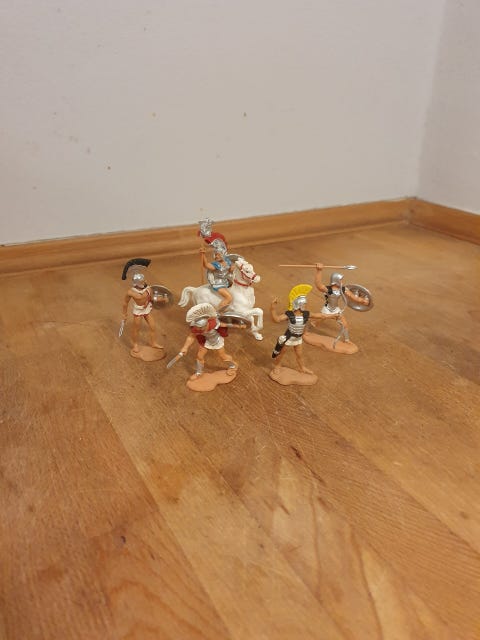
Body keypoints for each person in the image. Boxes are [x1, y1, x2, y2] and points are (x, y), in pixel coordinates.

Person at [271, 284, 335, 373]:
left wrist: (333, 316)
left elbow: (320, 315)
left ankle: (302, 367)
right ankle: (277, 366)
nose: (305, 305)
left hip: (298, 338)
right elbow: (277, 319)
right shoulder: (289, 314)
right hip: (289, 338)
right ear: (299, 304)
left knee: (299, 355)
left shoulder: (306, 314)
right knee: (281, 353)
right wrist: (272, 309)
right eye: (304, 304)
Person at [176, 303, 245, 379]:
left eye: (201, 328)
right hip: (206, 341)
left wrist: (238, 326)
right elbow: (191, 337)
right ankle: (199, 373)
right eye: (197, 327)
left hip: (217, 341)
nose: (199, 329)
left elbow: (225, 325)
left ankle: (233, 365)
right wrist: (185, 347)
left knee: (223, 356)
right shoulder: (196, 328)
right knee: (199, 356)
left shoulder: (213, 323)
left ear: (206, 324)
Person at [313, 264, 370, 345]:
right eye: (341, 280)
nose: (342, 282)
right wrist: (319, 271)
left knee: (344, 324)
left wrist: (363, 301)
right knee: (318, 321)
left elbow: (354, 297)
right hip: (327, 309)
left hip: (336, 310)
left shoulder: (343, 289)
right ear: (336, 281)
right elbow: (318, 285)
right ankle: (308, 328)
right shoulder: (328, 289)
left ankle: (347, 340)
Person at [122, 271, 164, 353]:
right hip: (138, 311)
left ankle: (153, 343)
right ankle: (135, 345)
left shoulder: (148, 289)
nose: (144, 282)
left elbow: (151, 298)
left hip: (146, 309)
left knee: (153, 326)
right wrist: (124, 314)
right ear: (136, 283)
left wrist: (161, 299)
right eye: (142, 281)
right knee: (136, 329)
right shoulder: (130, 292)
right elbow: (125, 303)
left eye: (143, 280)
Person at [200, 239, 234, 312]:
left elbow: (231, 268)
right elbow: (206, 265)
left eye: (218, 254)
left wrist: (233, 268)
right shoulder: (216, 265)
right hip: (218, 284)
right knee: (229, 297)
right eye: (215, 255)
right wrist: (203, 255)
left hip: (226, 282)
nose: (216, 256)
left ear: (223, 254)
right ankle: (216, 312)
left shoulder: (227, 261)